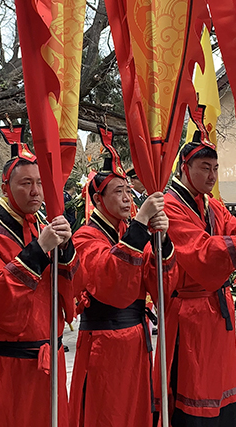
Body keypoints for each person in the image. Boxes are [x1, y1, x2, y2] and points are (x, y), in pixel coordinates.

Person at [162, 111, 236, 426]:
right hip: (191, 315)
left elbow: (232, 229)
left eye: (215, 168)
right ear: (184, 168)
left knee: (224, 390)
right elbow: (200, 251)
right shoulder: (170, 207)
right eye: (205, 167)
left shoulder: (209, 204)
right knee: (195, 393)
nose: (213, 175)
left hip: (215, 310)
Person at [0, 126, 81, 427]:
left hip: (50, 359)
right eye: (25, 183)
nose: (35, 192)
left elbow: (74, 293)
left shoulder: (43, 230)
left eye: (40, 183)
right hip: (7, 366)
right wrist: (38, 250)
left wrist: (66, 250)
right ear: (5, 188)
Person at [69, 130, 175, 427]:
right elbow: (111, 284)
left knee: (135, 413)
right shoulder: (86, 236)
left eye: (129, 190)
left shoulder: (128, 234)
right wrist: (140, 225)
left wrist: (162, 241)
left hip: (136, 341)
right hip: (105, 344)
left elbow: (162, 286)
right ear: (97, 198)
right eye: (118, 191)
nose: (128, 198)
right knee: (108, 415)